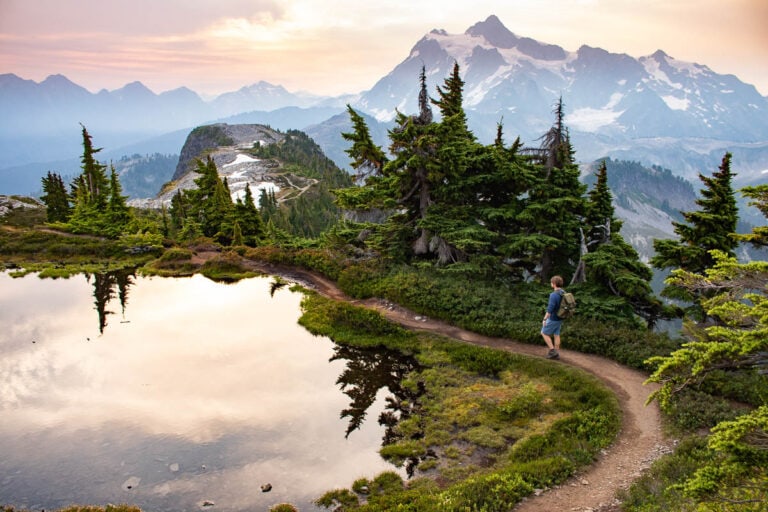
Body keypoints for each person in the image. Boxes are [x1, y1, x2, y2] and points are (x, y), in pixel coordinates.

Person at [541, 275, 565, 359]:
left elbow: (550, 309)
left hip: (554, 318)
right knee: (556, 334)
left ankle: (552, 351)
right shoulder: (563, 292)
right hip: (561, 318)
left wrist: (544, 319)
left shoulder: (553, 295)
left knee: (544, 333)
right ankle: (556, 353)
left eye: (551, 282)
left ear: (554, 284)